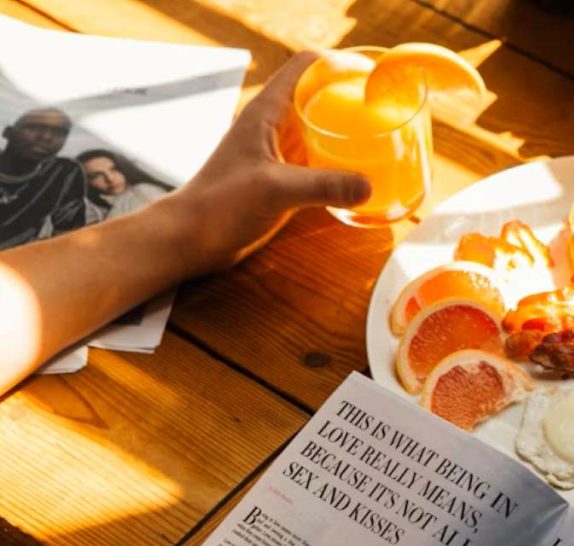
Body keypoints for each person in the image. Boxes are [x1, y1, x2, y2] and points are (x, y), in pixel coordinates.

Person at [0, 52, 371, 395]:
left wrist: (193, 227)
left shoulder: (64, 175)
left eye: (56, 134)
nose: (46, 139)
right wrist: (190, 228)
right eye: (36, 129)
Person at [0, 107, 92, 248]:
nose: (46, 137)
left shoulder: (63, 173)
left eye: (59, 133)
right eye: (34, 127)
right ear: (8, 133)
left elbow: (68, 236)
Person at [76, 149, 175, 221]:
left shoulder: (143, 191)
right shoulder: (90, 211)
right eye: (96, 176)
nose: (109, 178)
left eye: (114, 169)